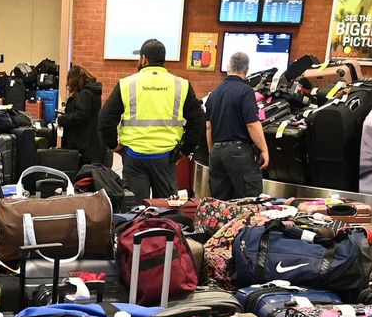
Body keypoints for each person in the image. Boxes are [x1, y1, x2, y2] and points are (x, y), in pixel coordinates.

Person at [98, 38, 204, 200]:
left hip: (134, 157)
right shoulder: (181, 85)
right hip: (166, 158)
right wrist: (185, 150)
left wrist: (114, 146)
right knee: (167, 209)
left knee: (136, 209)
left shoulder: (126, 84)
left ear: (144, 59)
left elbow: (105, 119)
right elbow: (197, 120)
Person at [205, 51, 268, 199]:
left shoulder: (214, 93)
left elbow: (209, 127)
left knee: (221, 204)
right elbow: (252, 124)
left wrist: (212, 152)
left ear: (228, 68)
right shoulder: (245, 91)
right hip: (238, 153)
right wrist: (264, 149)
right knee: (249, 200)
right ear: (246, 70)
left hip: (217, 152)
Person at [56, 64, 105, 166]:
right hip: (89, 144)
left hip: (82, 145)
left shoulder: (85, 94)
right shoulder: (92, 92)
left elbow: (80, 115)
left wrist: (62, 119)